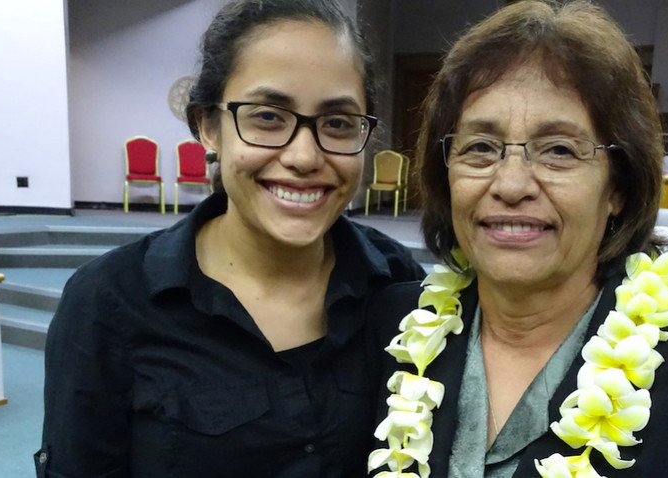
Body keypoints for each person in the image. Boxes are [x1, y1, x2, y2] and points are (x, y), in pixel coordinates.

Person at [367, 2, 668, 477]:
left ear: (618, 188)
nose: (511, 185)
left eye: (558, 150)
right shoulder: (391, 330)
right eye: (480, 147)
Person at [37, 1, 423, 477]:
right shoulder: (110, 302)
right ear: (207, 125)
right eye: (267, 117)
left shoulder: (395, 283)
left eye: (338, 123)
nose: (304, 156)